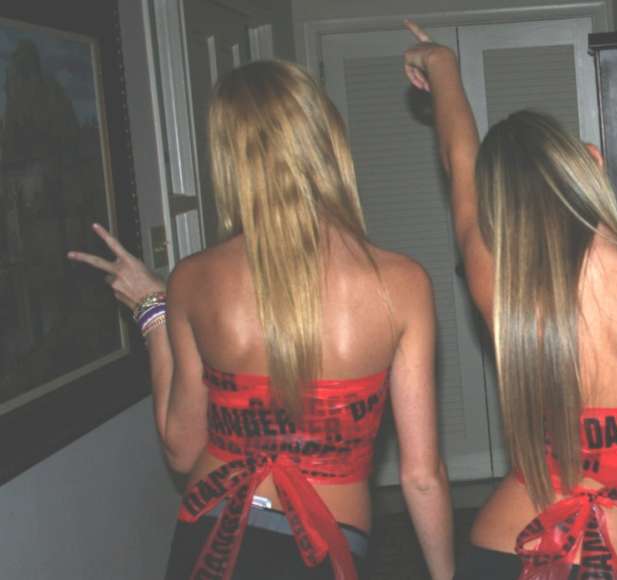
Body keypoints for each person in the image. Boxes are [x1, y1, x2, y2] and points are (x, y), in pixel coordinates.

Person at [67, 60, 454, 580]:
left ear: (230, 160)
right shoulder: (402, 284)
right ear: (327, 142)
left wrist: (151, 308)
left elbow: (182, 451)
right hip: (325, 542)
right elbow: (423, 477)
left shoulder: (193, 280)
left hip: (210, 534)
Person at [400, 21, 617, 580]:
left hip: (504, 553)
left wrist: (442, 69)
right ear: (594, 161)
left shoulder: (500, 288)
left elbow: (458, 160)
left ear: (500, 212)